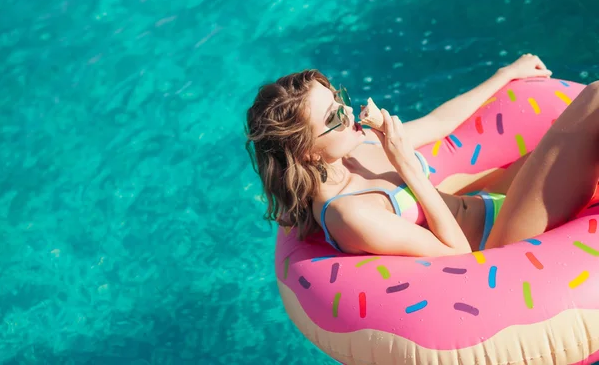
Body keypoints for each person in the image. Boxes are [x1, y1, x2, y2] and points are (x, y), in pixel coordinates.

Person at [245, 54, 599, 257]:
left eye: (340, 98)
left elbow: (438, 121)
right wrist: (407, 167)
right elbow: (459, 257)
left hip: (490, 200)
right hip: (498, 240)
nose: (348, 113)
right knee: (595, 100)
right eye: (333, 117)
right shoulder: (348, 214)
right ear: (307, 152)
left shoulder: (356, 148)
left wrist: (505, 74)